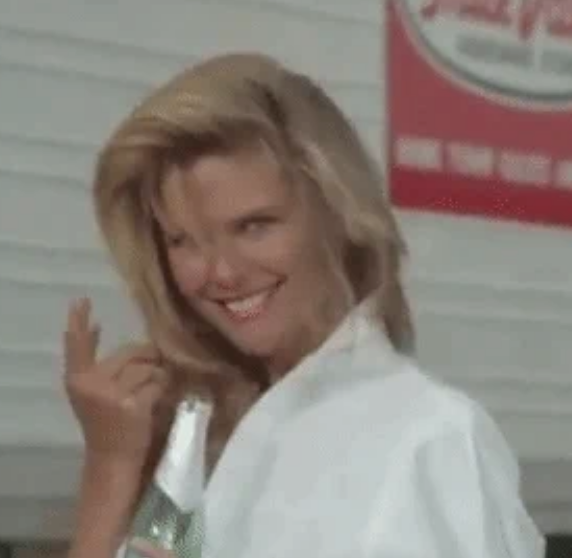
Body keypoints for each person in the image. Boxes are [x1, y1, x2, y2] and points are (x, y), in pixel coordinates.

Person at [62, 52, 545, 558]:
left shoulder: (430, 439)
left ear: (337, 216)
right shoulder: (196, 432)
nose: (220, 272)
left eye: (254, 226)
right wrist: (109, 468)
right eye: (183, 240)